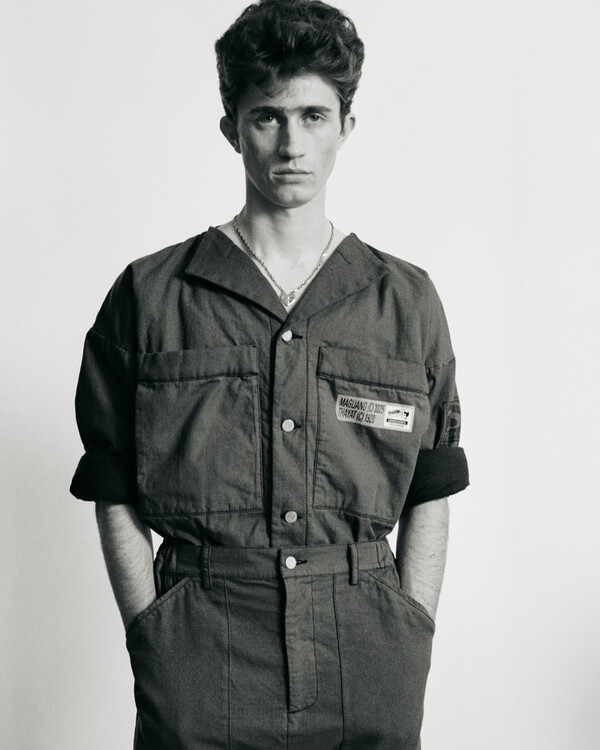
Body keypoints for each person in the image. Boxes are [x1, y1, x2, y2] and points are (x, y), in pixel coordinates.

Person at [70, 0, 469, 747]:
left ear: (346, 126)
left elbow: (432, 486)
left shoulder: (405, 300)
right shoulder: (151, 295)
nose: (291, 144)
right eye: (267, 117)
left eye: (314, 116)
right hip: (198, 648)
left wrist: (409, 628)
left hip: (368, 651)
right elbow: (112, 481)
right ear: (232, 128)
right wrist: (151, 629)